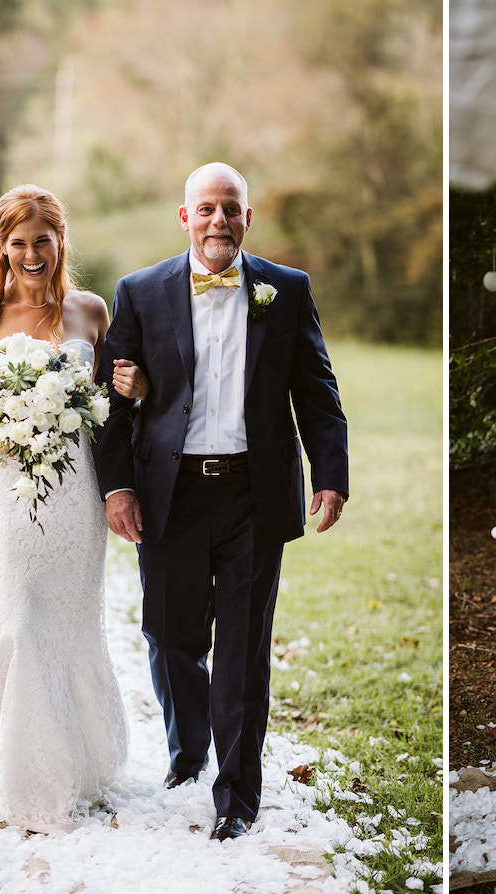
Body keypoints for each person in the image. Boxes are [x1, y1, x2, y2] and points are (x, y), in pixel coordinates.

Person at [92, 162, 349, 841]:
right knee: (171, 636)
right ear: (185, 217)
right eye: (205, 208)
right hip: (166, 492)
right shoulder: (141, 292)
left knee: (241, 649)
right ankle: (189, 751)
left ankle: (236, 794)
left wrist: (332, 471)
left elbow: (317, 389)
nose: (218, 220)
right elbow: (113, 403)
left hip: (253, 492)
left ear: (247, 217)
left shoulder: (285, 290)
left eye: (230, 208)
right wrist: (116, 485)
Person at [0, 184, 148, 831]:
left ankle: (80, 761)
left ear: (59, 241)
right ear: (2, 247)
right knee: (20, 618)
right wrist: (5, 434)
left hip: (74, 494)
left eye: (40, 240)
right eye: (17, 243)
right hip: (5, 492)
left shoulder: (88, 312)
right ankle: (20, 768)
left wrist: (136, 384)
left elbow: (111, 400)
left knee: (69, 624)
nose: (30, 253)